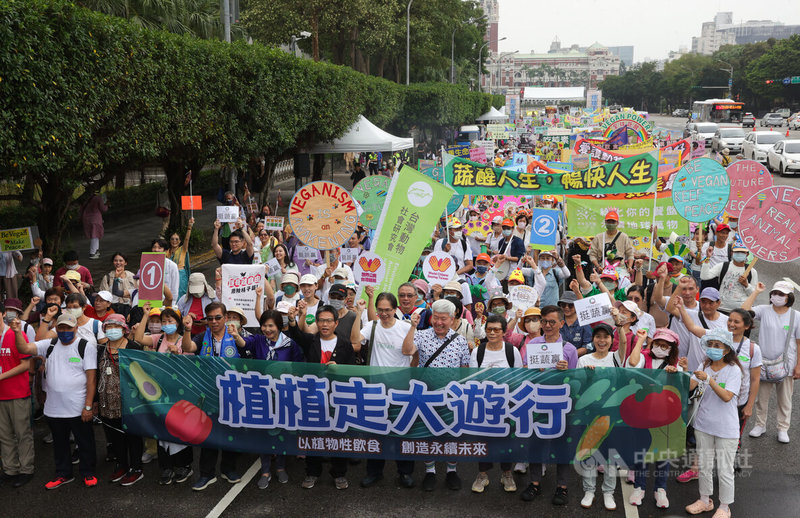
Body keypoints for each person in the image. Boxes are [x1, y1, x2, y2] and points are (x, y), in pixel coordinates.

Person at [13, 313, 98, 489]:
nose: (65, 331)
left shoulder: (85, 346)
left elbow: (91, 379)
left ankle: (88, 472)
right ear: (56, 328)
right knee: (60, 444)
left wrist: (88, 406)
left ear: (76, 328)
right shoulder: (49, 345)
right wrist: (16, 332)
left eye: (69, 327)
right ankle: (63, 473)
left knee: (85, 441)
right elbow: (24, 349)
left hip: (77, 407)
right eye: (61, 327)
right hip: (54, 408)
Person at [231, 310, 303, 489]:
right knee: (264, 431)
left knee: (281, 431)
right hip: (262, 395)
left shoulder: (290, 344)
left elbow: (299, 365)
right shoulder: (258, 340)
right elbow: (244, 344)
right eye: (264, 325)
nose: (267, 329)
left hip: (283, 395)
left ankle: (280, 467)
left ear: (279, 326)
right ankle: (265, 470)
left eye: (271, 325)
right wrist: (235, 335)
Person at [286, 304, 355, 490]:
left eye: (328, 321)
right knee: (313, 435)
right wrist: (293, 320)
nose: (324, 324)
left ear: (336, 323)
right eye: (321, 320)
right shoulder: (311, 341)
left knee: (339, 435)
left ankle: (339, 473)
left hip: (337, 398)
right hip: (313, 396)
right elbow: (297, 335)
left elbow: (352, 371)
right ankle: (312, 472)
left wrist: (339, 368)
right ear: (316, 322)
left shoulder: (345, 345)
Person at [576, 325, 644, 511]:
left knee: (611, 456)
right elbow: (577, 389)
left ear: (611, 340)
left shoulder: (616, 357)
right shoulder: (583, 360)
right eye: (598, 336)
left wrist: (620, 326)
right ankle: (589, 491)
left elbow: (623, 342)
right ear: (592, 339)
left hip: (613, 416)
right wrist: (586, 377)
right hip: (590, 415)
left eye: (606, 337)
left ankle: (608, 492)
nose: (601, 340)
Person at [405, 299, 470, 492]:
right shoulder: (422, 335)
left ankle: (451, 470)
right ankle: (430, 471)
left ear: (452, 319)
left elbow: (464, 370)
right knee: (427, 434)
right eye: (436, 318)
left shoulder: (460, 341)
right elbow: (407, 350)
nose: (439, 322)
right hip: (426, 397)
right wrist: (412, 327)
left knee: (452, 435)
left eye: (444, 319)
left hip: (452, 398)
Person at [519, 305, 577, 506]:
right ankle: (534, 483)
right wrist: (534, 368)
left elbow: (575, 381)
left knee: (561, 446)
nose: (547, 325)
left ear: (562, 323)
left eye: (552, 322)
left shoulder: (569, 349)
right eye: (544, 321)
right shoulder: (534, 343)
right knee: (535, 444)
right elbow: (524, 369)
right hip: (536, 402)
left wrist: (566, 370)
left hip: (561, 404)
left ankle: (562, 487)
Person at [181, 302, 242, 490]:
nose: (214, 321)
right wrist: (187, 329)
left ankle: (228, 469)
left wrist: (238, 338)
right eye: (210, 318)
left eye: (217, 317)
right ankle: (207, 474)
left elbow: (249, 353)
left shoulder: (236, 336)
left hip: (231, 392)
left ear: (225, 317)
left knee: (230, 432)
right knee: (207, 433)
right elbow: (189, 347)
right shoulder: (201, 337)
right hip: (208, 393)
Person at [360, 292, 416, 489]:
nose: (384, 313)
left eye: (388, 310)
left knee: (402, 431)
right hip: (376, 389)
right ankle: (374, 472)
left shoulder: (406, 327)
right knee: (376, 433)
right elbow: (355, 341)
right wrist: (359, 311)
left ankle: (405, 472)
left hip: (401, 389)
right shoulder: (372, 326)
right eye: (380, 310)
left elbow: (411, 353)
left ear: (395, 309)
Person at [133, 305, 194, 484]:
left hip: (179, 393)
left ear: (178, 323)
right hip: (160, 394)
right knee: (162, 429)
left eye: (170, 320)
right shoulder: (157, 339)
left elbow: (191, 365)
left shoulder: (184, 340)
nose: (166, 324)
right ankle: (166, 467)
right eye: (163, 321)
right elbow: (138, 338)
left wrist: (179, 354)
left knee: (180, 430)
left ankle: (184, 466)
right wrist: (145, 315)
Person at [685, 328, 742, 518]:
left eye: (717, 345)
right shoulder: (704, 365)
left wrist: (709, 380)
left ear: (726, 349)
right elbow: (690, 386)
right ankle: (704, 500)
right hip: (703, 425)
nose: (712, 348)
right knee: (705, 465)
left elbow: (726, 396)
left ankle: (724, 507)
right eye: (710, 344)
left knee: (725, 470)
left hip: (726, 428)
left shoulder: (733, 370)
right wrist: (684, 370)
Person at [629, 328, 685, 509]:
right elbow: (632, 362)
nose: (660, 348)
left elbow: (684, 389)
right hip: (642, 414)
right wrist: (640, 340)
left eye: (665, 345)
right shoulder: (645, 357)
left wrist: (677, 374)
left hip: (666, 417)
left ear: (672, 349)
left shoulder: (677, 365)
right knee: (641, 452)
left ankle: (660, 489)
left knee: (664, 454)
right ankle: (639, 487)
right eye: (658, 344)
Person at [469, 314, 522, 494]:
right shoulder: (478, 351)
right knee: (483, 440)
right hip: (483, 404)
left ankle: (506, 473)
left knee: (506, 439)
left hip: (506, 405)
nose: (492, 333)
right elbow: (472, 379)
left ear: (504, 332)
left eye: (496, 329)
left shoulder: (511, 351)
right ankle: (482, 474)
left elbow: (519, 377)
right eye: (489, 329)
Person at [743, 281, 800, 443]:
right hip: (764, 363)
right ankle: (760, 425)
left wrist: (799, 366)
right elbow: (744, 311)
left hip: (786, 364)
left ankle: (783, 428)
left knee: (785, 398)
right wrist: (755, 292)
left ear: (789, 297)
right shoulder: (764, 310)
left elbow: (799, 342)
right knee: (762, 397)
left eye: (781, 294)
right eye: (774, 293)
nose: (777, 296)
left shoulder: (796, 316)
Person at [97, 314, 144, 486]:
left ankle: (136, 468)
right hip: (108, 402)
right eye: (108, 327)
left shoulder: (133, 348)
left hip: (130, 401)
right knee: (115, 435)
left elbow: (142, 374)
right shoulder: (100, 349)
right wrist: (95, 401)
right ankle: (122, 464)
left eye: (115, 326)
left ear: (124, 329)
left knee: (133, 435)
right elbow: (96, 375)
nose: (112, 330)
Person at [0, 301, 35, 488]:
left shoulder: (16, 334)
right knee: (4, 435)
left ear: (2, 314)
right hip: (1, 395)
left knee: (22, 434)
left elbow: (25, 365)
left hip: (17, 393)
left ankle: (26, 469)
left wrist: (1, 376)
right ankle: (10, 469)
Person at [700, 244, 757, 314]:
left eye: (742, 252)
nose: (739, 254)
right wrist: (707, 259)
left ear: (747, 254)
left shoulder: (751, 271)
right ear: (732, 253)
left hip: (742, 311)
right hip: (721, 309)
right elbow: (704, 276)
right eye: (736, 252)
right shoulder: (723, 266)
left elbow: (753, 294)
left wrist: (746, 285)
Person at [167, 218, 194, 300]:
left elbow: (187, 239)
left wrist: (189, 227)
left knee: (181, 295)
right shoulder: (166, 252)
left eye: (176, 239)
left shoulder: (182, 249)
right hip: (169, 275)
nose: (174, 241)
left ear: (180, 241)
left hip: (180, 275)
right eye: (172, 239)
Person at [82, 191, 107, 260]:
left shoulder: (87, 198)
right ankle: (92, 253)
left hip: (86, 219)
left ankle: (96, 251)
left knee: (94, 236)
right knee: (95, 236)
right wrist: (107, 205)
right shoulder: (98, 198)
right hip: (95, 219)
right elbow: (103, 209)